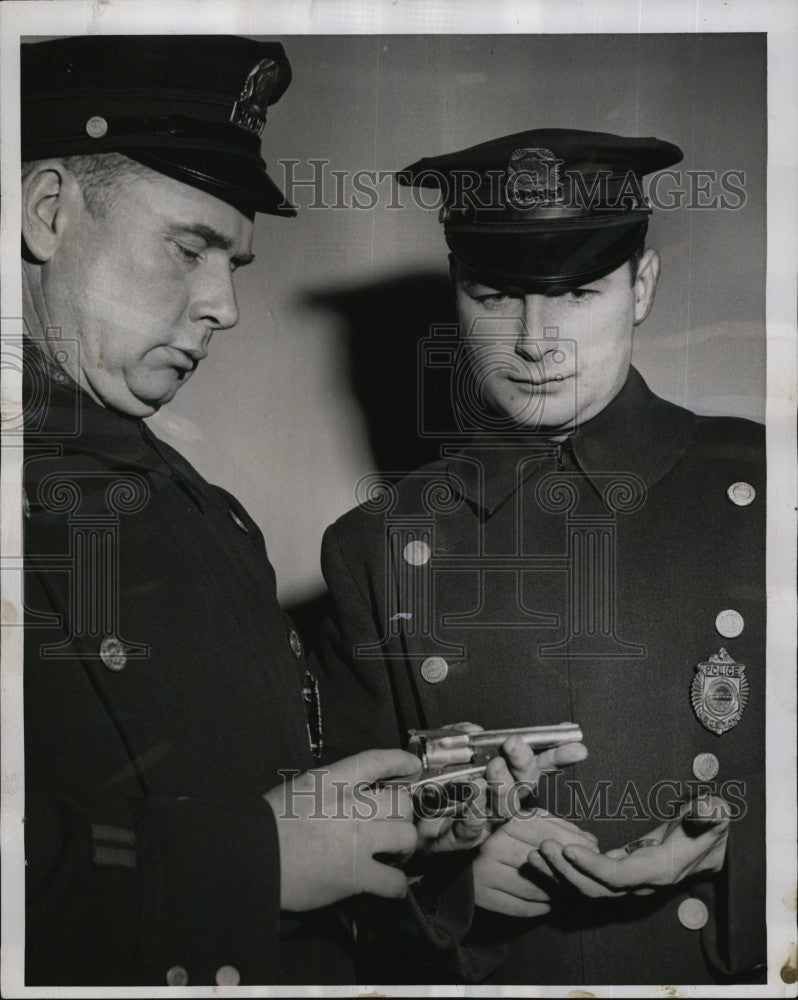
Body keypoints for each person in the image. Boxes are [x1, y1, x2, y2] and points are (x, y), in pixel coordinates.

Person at [18, 36, 542, 987]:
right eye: (189, 248)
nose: (225, 305)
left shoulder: (206, 515)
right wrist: (258, 858)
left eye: (236, 263)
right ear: (47, 212)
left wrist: (409, 838)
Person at [318, 129, 766, 984]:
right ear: (456, 297)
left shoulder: (768, 488)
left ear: (641, 288)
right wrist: (444, 878)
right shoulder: (374, 545)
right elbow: (341, 839)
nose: (534, 340)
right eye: (495, 295)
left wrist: (729, 851)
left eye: (577, 293)